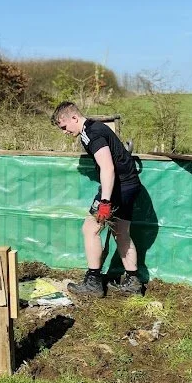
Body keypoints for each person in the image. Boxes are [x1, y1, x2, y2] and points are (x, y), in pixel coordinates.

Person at [52, 102, 143, 297]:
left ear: (74, 118)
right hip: (131, 184)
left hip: (119, 187)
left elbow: (107, 168)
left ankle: (93, 282)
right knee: (121, 232)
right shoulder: (96, 126)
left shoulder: (90, 134)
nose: (64, 132)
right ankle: (133, 282)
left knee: (90, 228)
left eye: (64, 126)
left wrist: (105, 202)